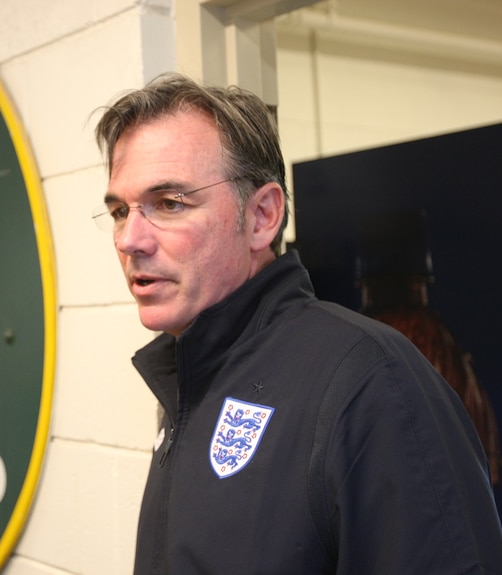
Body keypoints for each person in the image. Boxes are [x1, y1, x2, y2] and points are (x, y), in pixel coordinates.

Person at [92, 72, 502, 574]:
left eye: (170, 203)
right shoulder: (189, 379)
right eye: (119, 210)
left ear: (263, 216)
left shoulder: (373, 384)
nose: (129, 239)